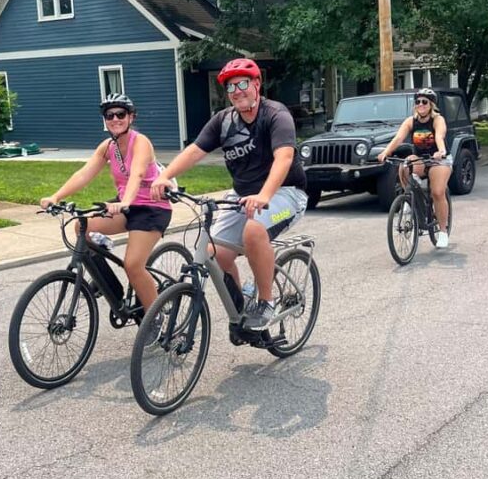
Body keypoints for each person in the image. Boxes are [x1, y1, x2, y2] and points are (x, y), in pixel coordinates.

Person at [150, 58, 308, 330]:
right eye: (231, 86)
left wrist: (265, 196)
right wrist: (164, 176)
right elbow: (194, 152)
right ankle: (242, 300)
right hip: (242, 196)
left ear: (257, 84)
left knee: (253, 230)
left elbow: (284, 158)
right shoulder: (223, 121)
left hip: (285, 192)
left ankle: (266, 302)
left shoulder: (275, 114)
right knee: (212, 252)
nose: (237, 90)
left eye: (243, 83)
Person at [40, 93, 172, 314]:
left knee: (133, 265)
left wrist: (125, 202)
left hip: (152, 208)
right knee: (82, 226)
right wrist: (56, 196)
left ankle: (155, 319)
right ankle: (108, 286)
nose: (115, 119)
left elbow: (137, 174)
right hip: (125, 206)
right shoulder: (107, 146)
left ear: (131, 117)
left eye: (121, 114)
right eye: (109, 115)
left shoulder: (141, 142)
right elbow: (84, 174)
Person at [376, 88, 452, 248]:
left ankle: (443, 232)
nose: (420, 105)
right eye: (418, 102)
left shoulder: (438, 120)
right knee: (405, 164)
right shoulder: (411, 121)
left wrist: (441, 151)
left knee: (438, 192)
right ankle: (410, 199)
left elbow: (439, 136)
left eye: (424, 102)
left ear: (431, 105)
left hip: (439, 159)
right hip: (421, 159)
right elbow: (398, 138)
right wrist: (385, 152)